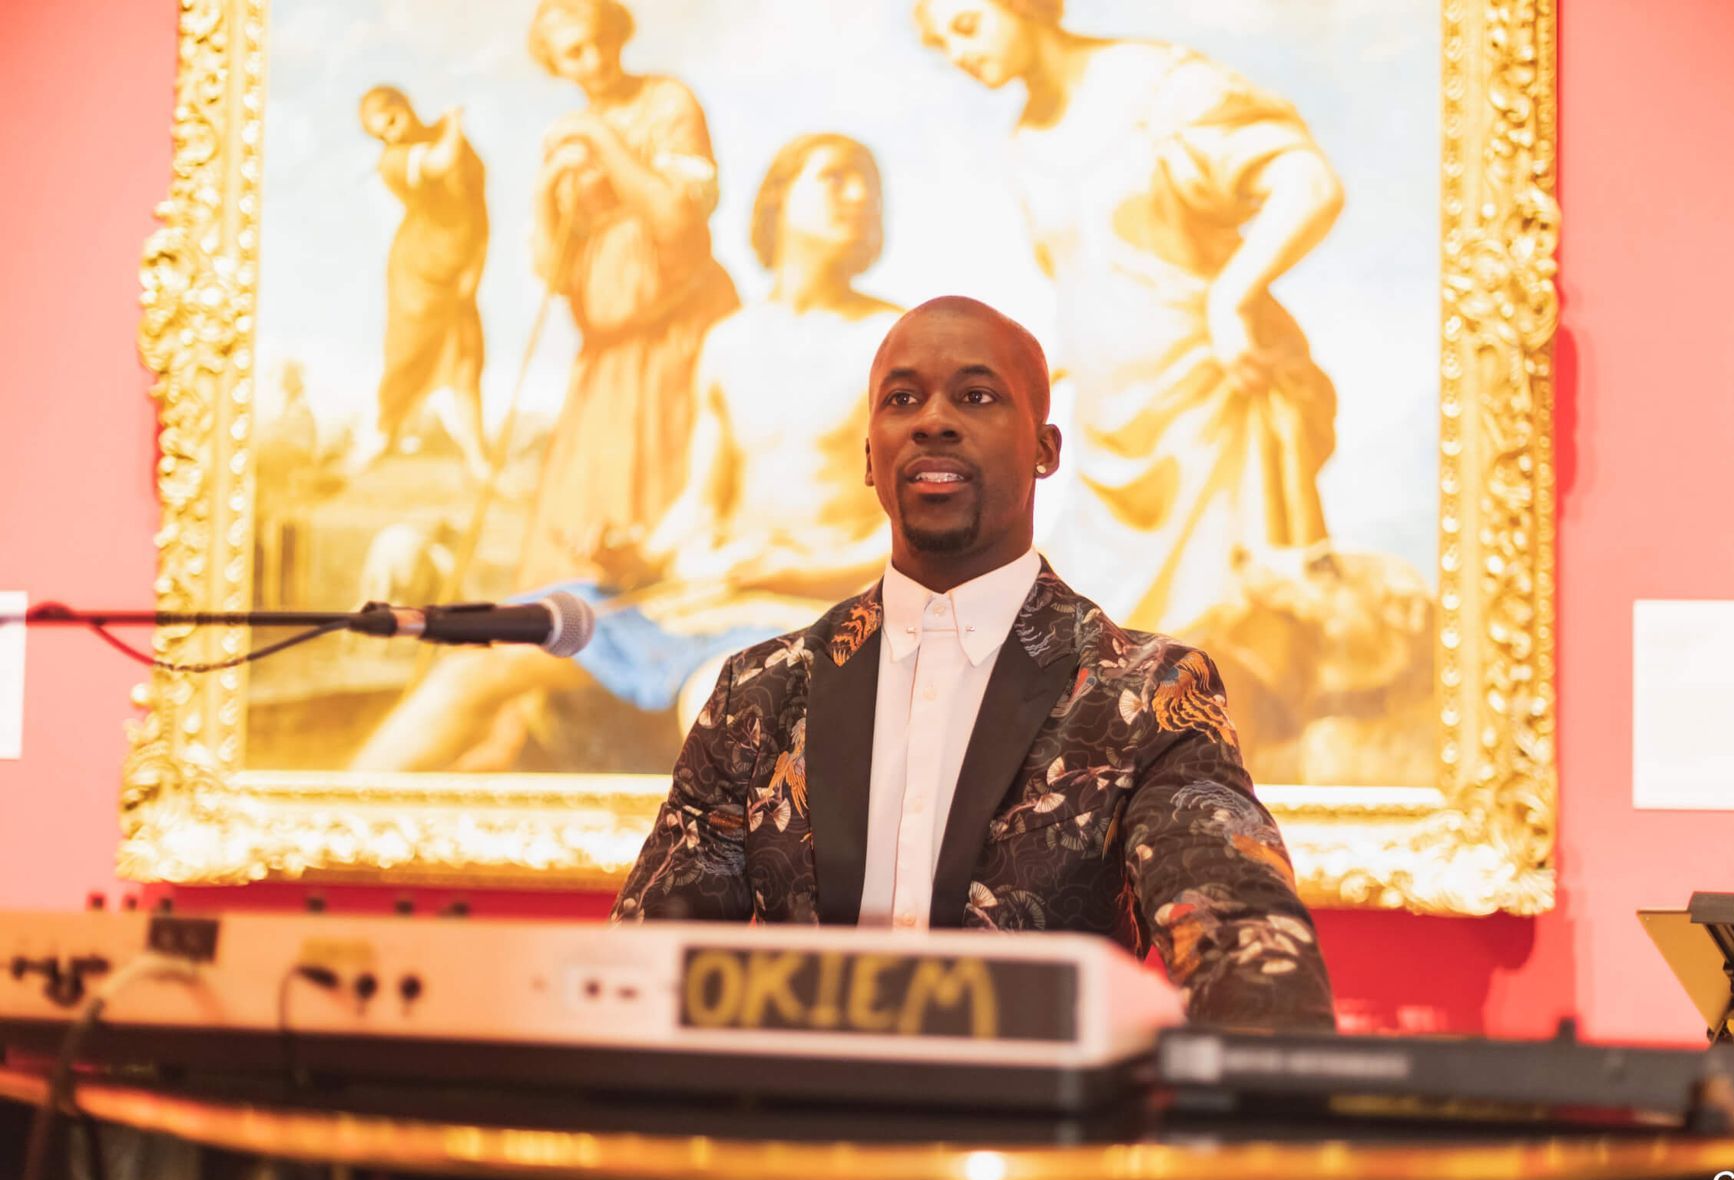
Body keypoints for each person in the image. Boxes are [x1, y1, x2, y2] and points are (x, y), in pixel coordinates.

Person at [613, 296, 1333, 1030]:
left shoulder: (1144, 691)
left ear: (1046, 449)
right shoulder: (759, 691)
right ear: (870, 457)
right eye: (901, 399)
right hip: (800, 1136)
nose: (932, 419)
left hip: (1043, 1136)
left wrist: (1262, 1097)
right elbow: (642, 969)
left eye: (976, 396)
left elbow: (1243, 935)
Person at [351, 134, 898, 773]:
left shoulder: (894, 344)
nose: (858, 196)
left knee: (721, 711)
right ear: (779, 200)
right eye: (836, 177)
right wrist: (634, 551)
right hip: (697, 598)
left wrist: (788, 570)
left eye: (869, 185)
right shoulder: (729, 344)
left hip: (807, 614)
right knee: (481, 656)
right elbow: (700, 503)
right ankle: (316, 837)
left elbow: (913, 537)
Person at [912, 0, 1343, 640]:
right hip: (1111, 435)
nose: (961, 54)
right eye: (943, 46)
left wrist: (1234, 296)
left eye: (968, 26)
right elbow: (1092, 278)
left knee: (1224, 642)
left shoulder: (1158, 88)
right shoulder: (1025, 143)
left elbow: (1309, 183)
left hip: (1207, 408)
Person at [518, 0, 739, 590]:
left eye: (599, 41)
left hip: (680, 330)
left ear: (618, 34)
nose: (593, 60)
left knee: (673, 481)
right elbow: (553, 271)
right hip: (609, 349)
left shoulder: (667, 102)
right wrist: (547, 187)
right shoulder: (560, 138)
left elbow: (675, 222)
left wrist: (601, 139)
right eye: (573, 53)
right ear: (556, 64)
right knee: (591, 498)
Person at [358, 86, 490, 478]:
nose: (392, 136)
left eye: (393, 122)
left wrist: (475, 268)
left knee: (466, 362)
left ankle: (479, 460)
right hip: (419, 277)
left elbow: (476, 208)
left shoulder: (444, 139)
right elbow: (439, 163)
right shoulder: (396, 160)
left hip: (456, 270)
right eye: (381, 134)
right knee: (407, 360)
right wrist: (453, 121)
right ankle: (381, 436)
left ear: (405, 106)